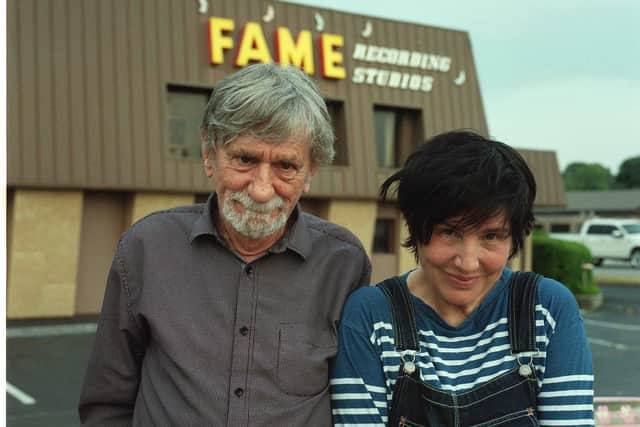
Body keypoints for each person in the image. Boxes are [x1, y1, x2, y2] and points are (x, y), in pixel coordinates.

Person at [78, 63, 371, 426]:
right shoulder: (146, 248)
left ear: (310, 173)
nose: (262, 189)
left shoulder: (344, 264)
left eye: (286, 166)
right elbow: (107, 405)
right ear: (209, 153)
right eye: (245, 159)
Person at [330, 130, 594, 426]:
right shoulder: (371, 315)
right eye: (449, 232)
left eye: (491, 236)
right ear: (416, 229)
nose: (467, 263)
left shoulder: (546, 309)